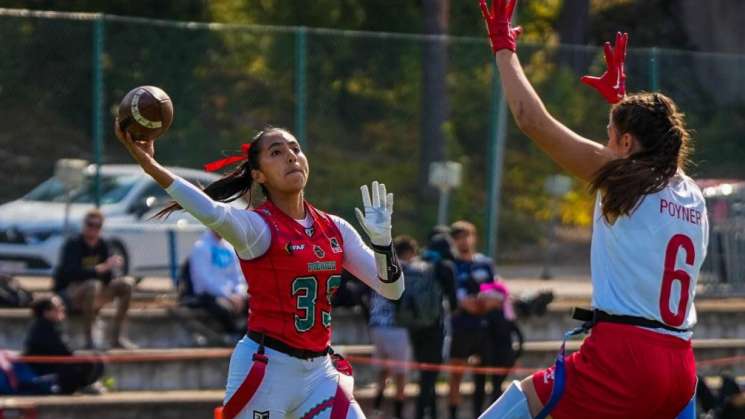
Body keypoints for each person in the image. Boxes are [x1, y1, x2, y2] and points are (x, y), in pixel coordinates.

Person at [478, 1, 707, 418]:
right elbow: (644, 167)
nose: (603, 144)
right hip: (680, 366)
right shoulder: (691, 192)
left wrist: (502, 46)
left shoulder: (624, 179)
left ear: (625, 144)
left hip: (625, 359)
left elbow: (531, 119)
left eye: (610, 135)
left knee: (518, 405)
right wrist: (621, 103)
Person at [115, 123, 405, 419]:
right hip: (268, 369)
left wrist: (383, 243)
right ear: (258, 174)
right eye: (276, 152)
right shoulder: (258, 228)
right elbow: (211, 211)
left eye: (295, 148)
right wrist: (150, 166)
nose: (291, 156)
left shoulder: (335, 228)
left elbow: (392, 289)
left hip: (320, 372)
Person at [53, 209, 136, 349]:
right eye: (90, 224)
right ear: (84, 225)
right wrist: (100, 268)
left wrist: (112, 267)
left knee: (127, 284)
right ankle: (89, 340)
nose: (93, 229)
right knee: (92, 284)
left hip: (95, 293)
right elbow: (70, 274)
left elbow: (107, 280)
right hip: (70, 294)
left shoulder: (103, 245)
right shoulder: (73, 244)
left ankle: (117, 338)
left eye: (97, 226)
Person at [447, 220, 503, 419]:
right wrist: (466, 303)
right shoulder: (451, 265)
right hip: (460, 326)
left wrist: (485, 301)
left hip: (484, 327)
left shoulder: (484, 263)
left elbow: (495, 292)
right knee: (456, 375)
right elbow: (454, 297)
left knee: (482, 376)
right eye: (460, 237)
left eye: (468, 236)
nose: (465, 241)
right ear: (454, 241)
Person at [410, 232, 458, 419]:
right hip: (434, 327)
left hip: (414, 327)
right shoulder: (445, 267)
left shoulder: (416, 264)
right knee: (431, 376)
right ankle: (424, 414)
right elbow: (453, 303)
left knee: (424, 375)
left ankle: (428, 412)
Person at [367, 236, 416, 419]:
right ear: (410, 252)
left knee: (381, 374)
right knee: (400, 376)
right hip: (397, 328)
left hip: (377, 326)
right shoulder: (408, 270)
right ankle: (399, 415)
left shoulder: (380, 267)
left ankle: (376, 411)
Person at [24, 296, 105, 394]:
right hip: (46, 373)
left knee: (96, 359)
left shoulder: (51, 326)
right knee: (88, 362)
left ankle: (85, 385)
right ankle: (80, 387)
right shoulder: (43, 329)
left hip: (56, 365)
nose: (62, 308)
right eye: (57, 307)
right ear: (46, 312)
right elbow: (65, 352)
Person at [188, 229, 248, 340]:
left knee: (253, 302)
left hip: (231, 296)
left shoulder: (229, 248)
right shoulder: (201, 247)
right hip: (208, 295)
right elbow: (204, 280)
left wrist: (239, 294)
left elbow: (238, 277)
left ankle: (246, 335)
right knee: (223, 308)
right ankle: (232, 335)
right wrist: (228, 296)